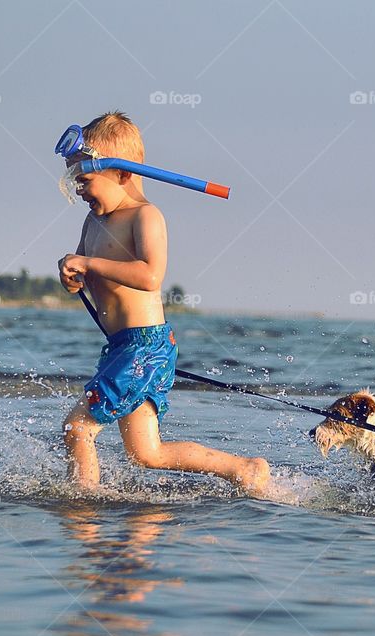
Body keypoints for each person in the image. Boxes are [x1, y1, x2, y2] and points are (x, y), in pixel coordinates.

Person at [56, 111, 270, 495]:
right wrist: (73, 275)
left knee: (77, 428)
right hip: (121, 348)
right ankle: (244, 469)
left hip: (145, 346)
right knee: (146, 453)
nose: (79, 191)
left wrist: (88, 262)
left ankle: (82, 503)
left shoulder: (145, 217)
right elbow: (85, 277)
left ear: (121, 173)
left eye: (85, 180)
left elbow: (150, 275)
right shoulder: (93, 223)